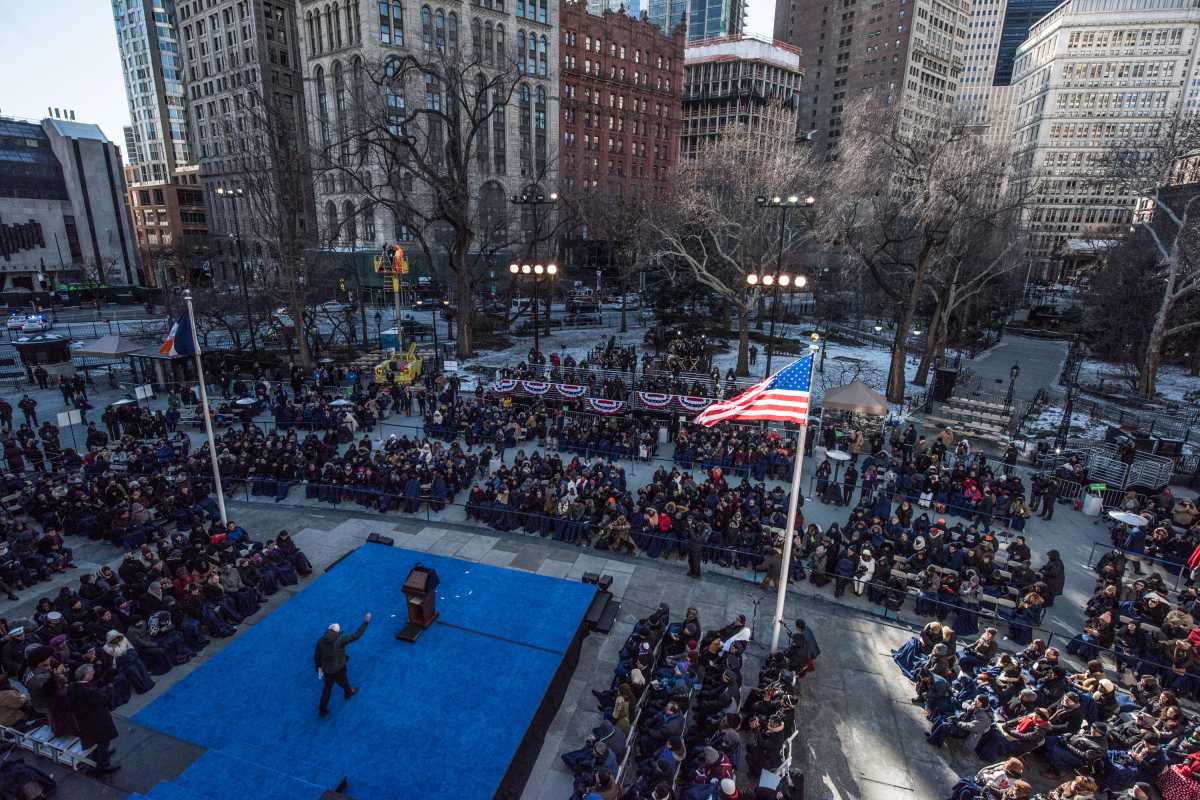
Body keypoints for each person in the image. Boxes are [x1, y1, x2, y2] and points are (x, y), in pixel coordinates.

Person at [315, 612, 371, 716]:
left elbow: (317, 656)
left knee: (327, 689)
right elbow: (356, 635)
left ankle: (322, 709)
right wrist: (365, 623)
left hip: (327, 669)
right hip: (339, 667)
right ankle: (348, 693)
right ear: (338, 632)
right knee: (344, 681)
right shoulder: (340, 640)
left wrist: (318, 668)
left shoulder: (320, 641)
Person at [69, 663, 119, 775]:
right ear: (86, 675)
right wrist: (109, 688)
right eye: (92, 672)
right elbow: (103, 698)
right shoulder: (89, 691)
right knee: (103, 742)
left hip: (85, 721)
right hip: (97, 720)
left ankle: (98, 758)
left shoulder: (73, 687)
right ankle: (103, 765)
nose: (93, 673)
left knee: (97, 742)